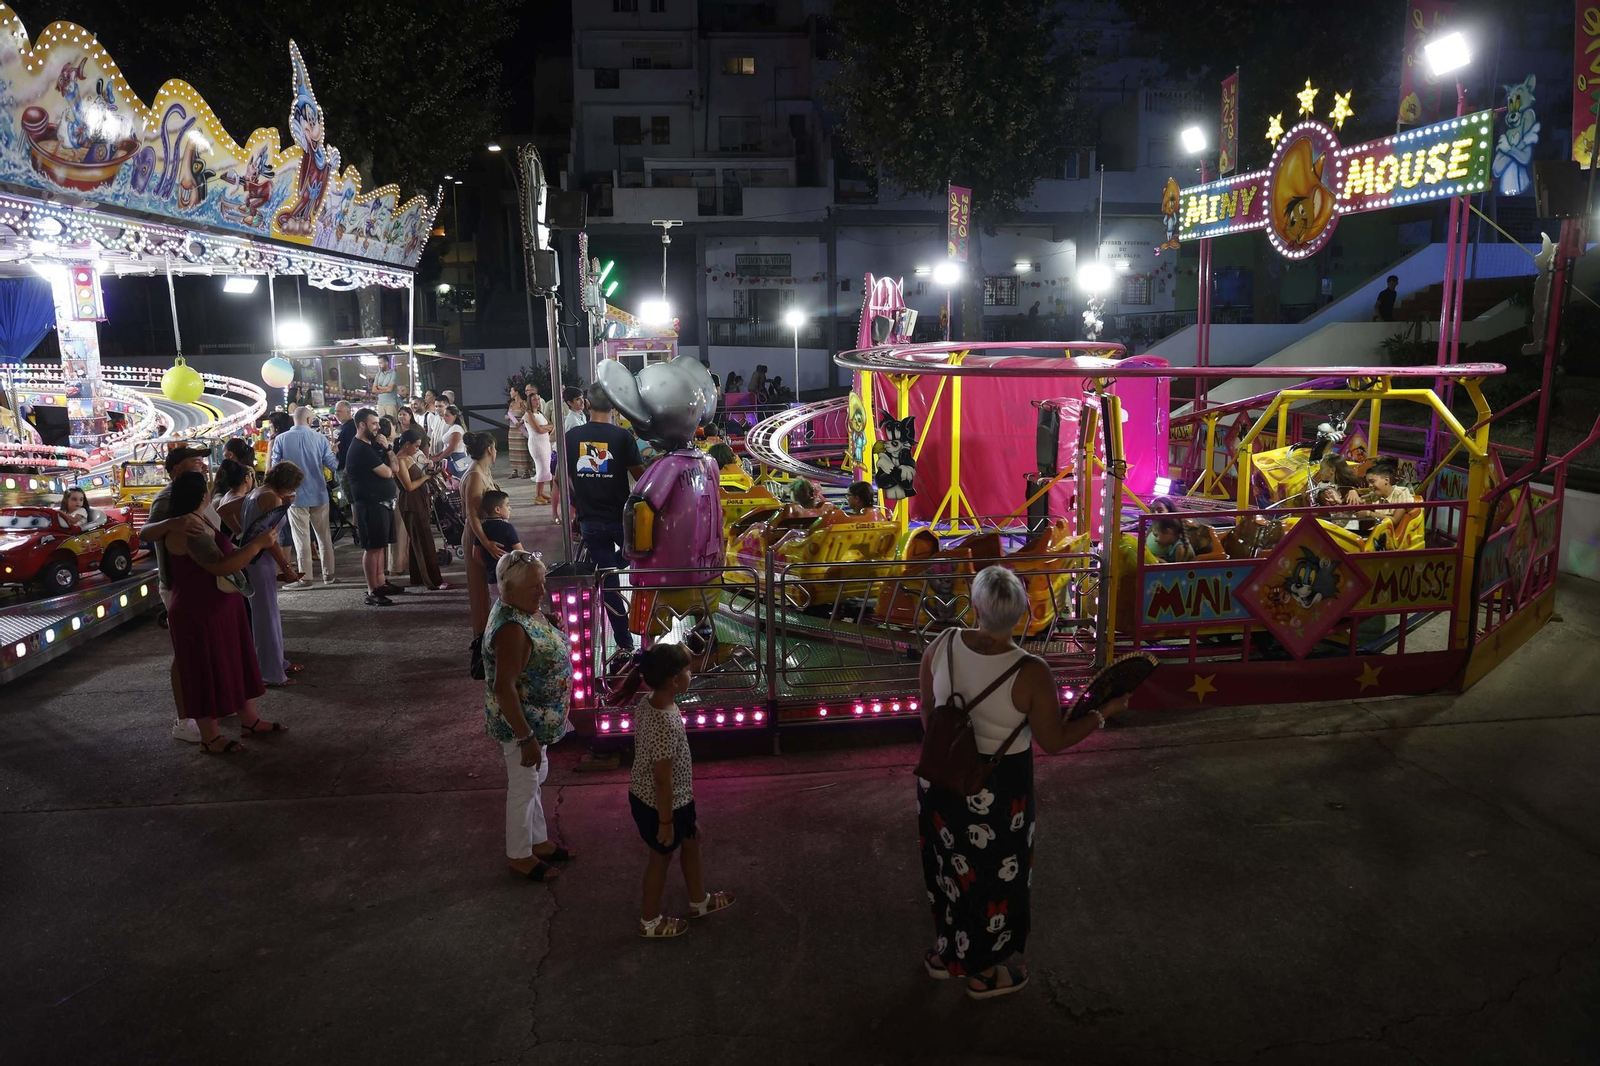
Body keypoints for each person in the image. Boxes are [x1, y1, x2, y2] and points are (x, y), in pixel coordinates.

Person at [917, 566, 1131, 998]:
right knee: (993, 879)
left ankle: (947, 953)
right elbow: (1054, 741)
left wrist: (953, 756)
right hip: (998, 790)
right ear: (1024, 613)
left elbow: (929, 715)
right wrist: (1103, 713)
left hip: (940, 778)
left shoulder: (940, 645)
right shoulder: (1030, 671)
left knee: (947, 868)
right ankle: (981, 972)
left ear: (975, 606)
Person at [160, 470, 285, 753]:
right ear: (202, 495)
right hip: (199, 610)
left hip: (219, 604)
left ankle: (249, 720)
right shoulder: (188, 528)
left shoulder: (198, 518)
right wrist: (257, 544)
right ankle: (210, 737)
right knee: (206, 671)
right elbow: (221, 566)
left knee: (233, 662)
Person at [616, 643, 735, 938]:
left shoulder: (651, 701)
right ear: (674, 680)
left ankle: (699, 901)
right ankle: (650, 922)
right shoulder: (665, 722)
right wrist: (666, 823)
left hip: (667, 799)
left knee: (693, 838)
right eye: (687, 670)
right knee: (660, 857)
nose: (690, 674)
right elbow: (662, 780)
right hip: (661, 804)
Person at [483, 550, 574, 882]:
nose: (543, 592)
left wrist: (546, 623)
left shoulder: (522, 611)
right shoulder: (511, 629)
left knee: (534, 780)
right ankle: (519, 854)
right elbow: (504, 687)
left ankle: (538, 840)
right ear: (509, 589)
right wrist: (526, 739)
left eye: (543, 583)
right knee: (523, 786)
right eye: (535, 586)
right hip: (521, 726)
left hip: (537, 722)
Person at [137, 445, 219, 743]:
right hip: (177, 584)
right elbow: (145, 533)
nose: (201, 465)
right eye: (194, 462)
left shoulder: (201, 492)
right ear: (175, 470)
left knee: (204, 649)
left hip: (203, 582)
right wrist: (172, 523)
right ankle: (185, 719)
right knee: (185, 653)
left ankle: (207, 708)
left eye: (202, 461)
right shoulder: (168, 498)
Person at [565, 383, 644, 653]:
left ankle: (625, 644)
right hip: (621, 519)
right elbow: (641, 478)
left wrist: (578, 504)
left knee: (609, 583)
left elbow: (560, 481)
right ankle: (648, 636)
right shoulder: (623, 437)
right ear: (615, 406)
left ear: (587, 404)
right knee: (643, 568)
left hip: (591, 522)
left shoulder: (572, 436)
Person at [239, 462, 306, 686]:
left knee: (267, 616)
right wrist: (286, 567)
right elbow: (271, 540)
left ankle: (277, 664)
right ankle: (270, 672)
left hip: (254, 560)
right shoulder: (271, 498)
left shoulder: (256, 493)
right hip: (260, 560)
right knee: (266, 618)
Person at [271, 406, 340, 587]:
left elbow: (275, 466)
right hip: (318, 492)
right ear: (310, 421)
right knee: (324, 536)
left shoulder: (281, 439)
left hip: (294, 495)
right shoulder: (320, 439)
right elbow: (332, 465)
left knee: (301, 538)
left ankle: (306, 577)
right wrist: (334, 452)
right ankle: (329, 575)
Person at [345, 408, 403, 607]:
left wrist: (387, 449)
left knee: (380, 546)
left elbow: (395, 468)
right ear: (362, 425)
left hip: (381, 503)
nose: (378, 428)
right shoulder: (361, 449)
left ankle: (381, 583)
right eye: (374, 424)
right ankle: (372, 590)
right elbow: (389, 472)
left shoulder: (371, 446)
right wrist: (388, 451)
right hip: (370, 504)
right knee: (372, 548)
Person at [462, 432, 503, 676]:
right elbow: (472, 515)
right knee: (481, 594)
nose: (497, 452)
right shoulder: (476, 474)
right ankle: (483, 651)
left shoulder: (482, 471)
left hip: (486, 537)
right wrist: (486, 544)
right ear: (489, 448)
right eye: (496, 447)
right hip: (479, 539)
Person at [393, 429, 452, 591]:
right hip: (411, 503)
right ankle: (434, 581)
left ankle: (418, 577)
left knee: (417, 541)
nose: (418, 449)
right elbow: (409, 486)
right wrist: (426, 477)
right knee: (424, 540)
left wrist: (428, 473)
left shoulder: (408, 457)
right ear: (407, 445)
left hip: (418, 500)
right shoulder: (400, 460)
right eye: (416, 446)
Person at [478, 489, 523, 585]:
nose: (510, 508)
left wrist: (490, 567)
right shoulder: (507, 528)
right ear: (497, 509)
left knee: (496, 599)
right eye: (507, 505)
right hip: (510, 576)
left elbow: (476, 555)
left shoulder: (482, 529)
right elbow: (520, 552)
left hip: (492, 578)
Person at [524, 386, 555, 506]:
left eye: (538, 399)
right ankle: (537, 494)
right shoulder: (528, 414)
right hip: (537, 443)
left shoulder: (540, 413)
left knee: (546, 467)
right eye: (534, 400)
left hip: (545, 442)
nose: (537, 402)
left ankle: (541, 492)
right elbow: (538, 429)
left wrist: (545, 428)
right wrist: (545, 428)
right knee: (541, 467)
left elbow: (550, 425)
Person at [506, 390, 531, 478]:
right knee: (513, 449)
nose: (510, 393)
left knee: (522, 448)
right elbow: (508, 414)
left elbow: (527, 414)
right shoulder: (512, 404)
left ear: (516, 392)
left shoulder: (524, 403)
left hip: (520, 429)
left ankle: (526, 470)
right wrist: (508, 417)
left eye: (511, 391)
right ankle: (514, 470)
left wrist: (520, 422)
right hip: (512, 429)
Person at [331, 400, 356, 471]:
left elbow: (351, 450)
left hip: (345, 468)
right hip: (338, 465)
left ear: (348, 412)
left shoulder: (352, 427)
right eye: (335, 411)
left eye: (339, 411)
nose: (336, 413)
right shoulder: (342, 426)